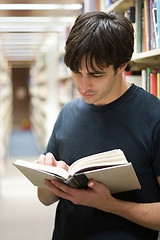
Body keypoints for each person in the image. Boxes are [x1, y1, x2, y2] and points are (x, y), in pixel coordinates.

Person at [37, 11, 160, 240]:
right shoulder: (67, 113)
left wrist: (111, 205)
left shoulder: (154, 117)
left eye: (96, 74)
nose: (83, 85)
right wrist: (50, 179)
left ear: (122, 66)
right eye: (76, 72)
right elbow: (44, 199)